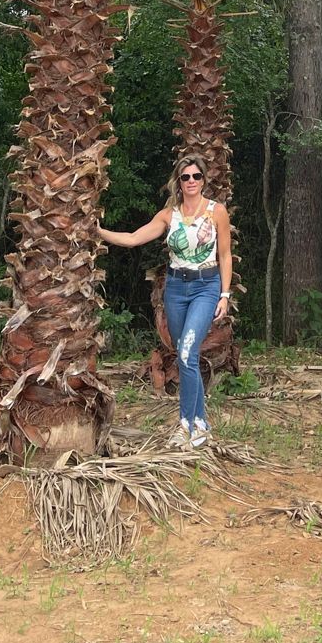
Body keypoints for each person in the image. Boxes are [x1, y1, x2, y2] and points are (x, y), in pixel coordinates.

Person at [97, 153, 232, 449]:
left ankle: (190, 424)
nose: (192, 181)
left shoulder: (216, 211)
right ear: (179, 182)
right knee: (185, 355)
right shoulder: (169, 215)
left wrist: (224, 293)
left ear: (204, 180)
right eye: (186, 177)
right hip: (175, 289)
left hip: (205, 287)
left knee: (185, 353)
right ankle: (198, 424)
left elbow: (224, 254)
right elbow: (133, 238)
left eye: (197, 176)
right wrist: (96, 231)